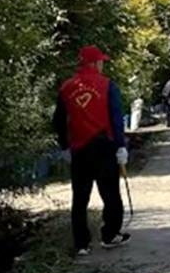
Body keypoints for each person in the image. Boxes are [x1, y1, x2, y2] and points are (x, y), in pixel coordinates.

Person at [53, 44, 131, 256]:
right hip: (104, 146)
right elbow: (116, 118)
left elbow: (58, 120)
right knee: (110, 194)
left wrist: (64, 146)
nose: (103, 65)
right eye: (101, 62)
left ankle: (81, 244)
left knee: (80, 198)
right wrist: (121, 146)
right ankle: (110, 235)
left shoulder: (67, 87)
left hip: (79, 149)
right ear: (95, 63)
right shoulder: (107, 85)